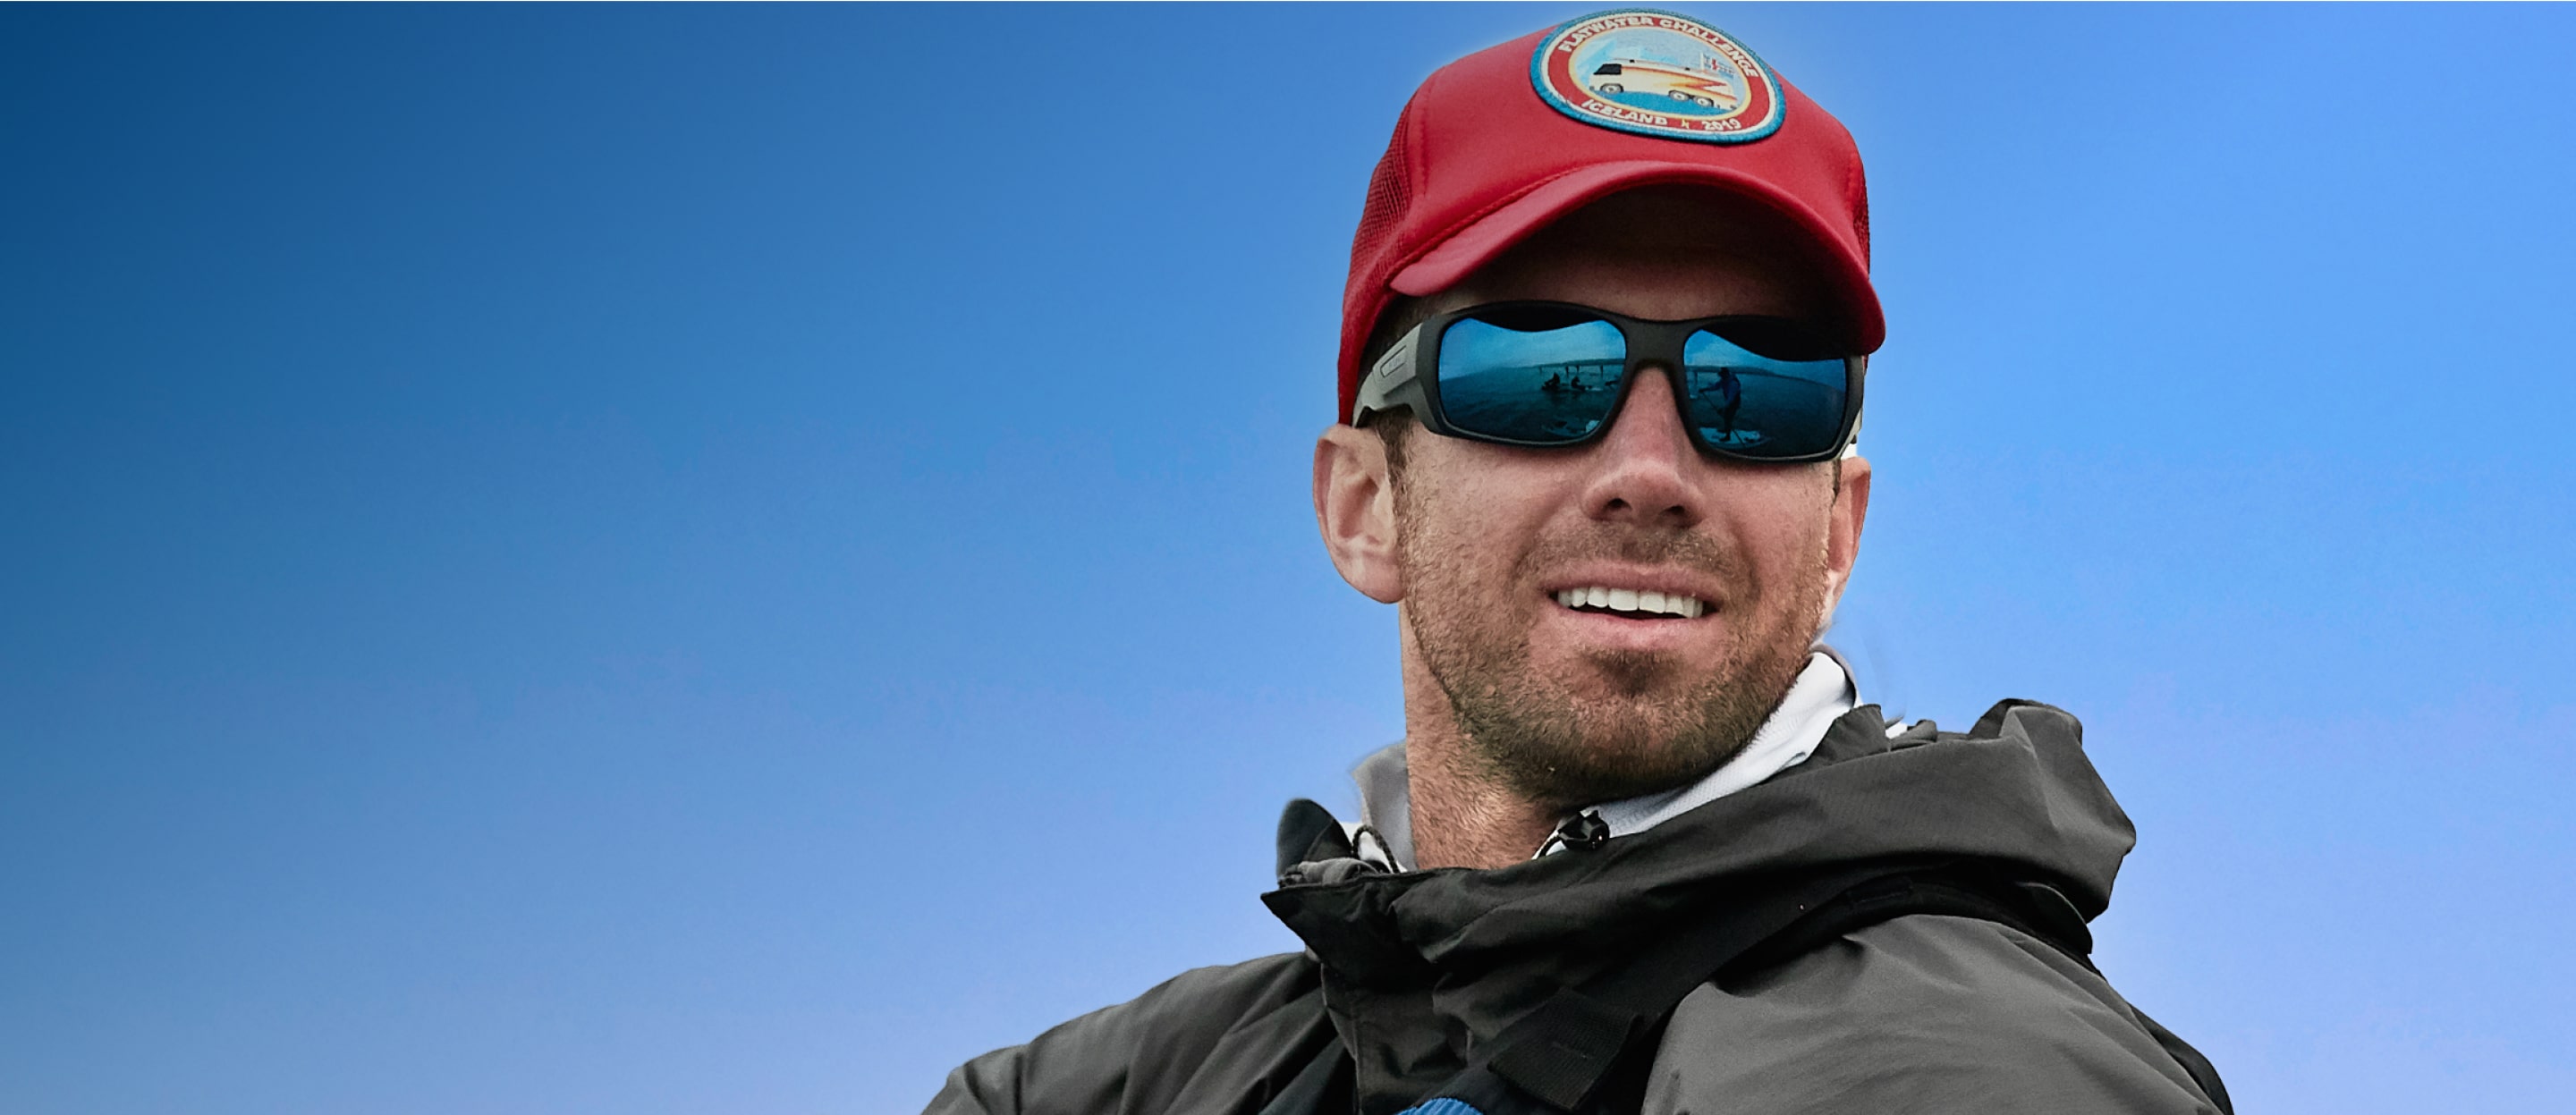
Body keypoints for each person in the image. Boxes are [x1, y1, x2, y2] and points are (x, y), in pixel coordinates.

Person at [926, 12, 2227, 1115]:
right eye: (1538, 373)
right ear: (1364, 503)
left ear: (1837, 531)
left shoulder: (1964, 1078)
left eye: (1755, 389)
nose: (1652, 471)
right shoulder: (1085, 1095)